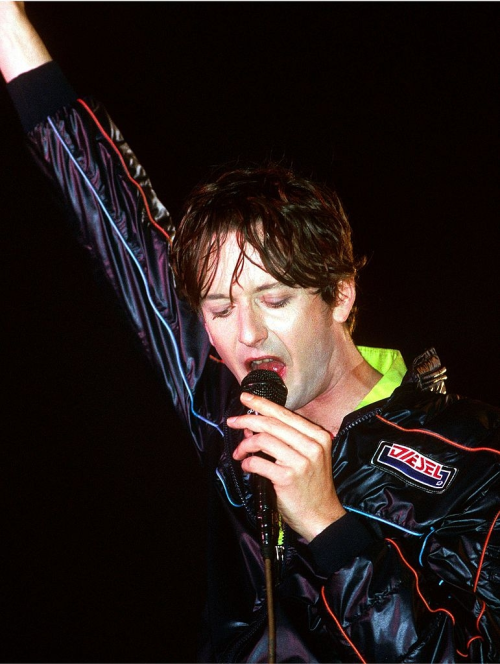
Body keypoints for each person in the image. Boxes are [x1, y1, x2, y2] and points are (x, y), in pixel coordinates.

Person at [1, 3, 499, 662]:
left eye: (275, 297)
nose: (250, 334)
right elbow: (109, 209)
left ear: (340, 293)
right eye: (220, 308)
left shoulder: (476, 457)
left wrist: (328, 527)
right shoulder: (227, 416)